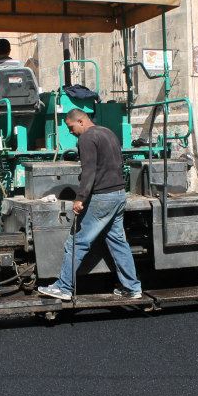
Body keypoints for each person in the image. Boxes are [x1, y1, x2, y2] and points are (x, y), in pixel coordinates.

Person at [37, 109, 142, 301]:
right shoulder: (108, 133)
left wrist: (80, 198)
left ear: (81, 121)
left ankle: (64, 287)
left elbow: (89, 171)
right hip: (118, 195)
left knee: (77, 242)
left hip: (102, 197)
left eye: (71, 127)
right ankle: (132, 288)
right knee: (118, 243)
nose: (70, 132)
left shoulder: (86, 138)